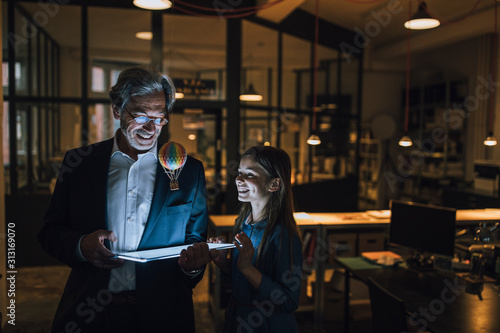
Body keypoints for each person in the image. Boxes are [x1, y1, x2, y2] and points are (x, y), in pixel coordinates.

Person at [38, 66, 212, 333]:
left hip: (165, 317)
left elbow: (195, 241)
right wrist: (82, 246)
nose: (152, 128)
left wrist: (192, 268)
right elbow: (49, 232)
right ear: (117, 110)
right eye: (141, 116)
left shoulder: (189, 171)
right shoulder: (79, 164)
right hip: (91, 316)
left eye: (160, 117)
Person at [210, 146, 303, 333]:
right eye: (239, 173)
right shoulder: (242, 222)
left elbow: (289, 301)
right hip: (237, 320)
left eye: (250, 174)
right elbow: (241, 280)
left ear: (274, 184)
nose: (238, 179)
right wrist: (224, 263)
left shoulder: (284, 235)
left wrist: (247, 268)